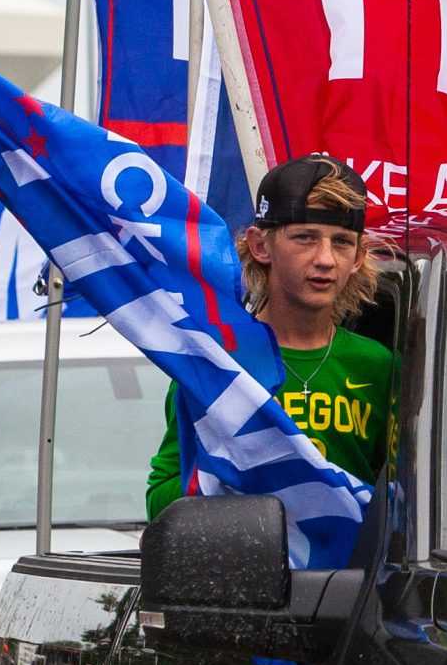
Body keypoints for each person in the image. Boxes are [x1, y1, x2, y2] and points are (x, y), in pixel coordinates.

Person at [144, 155, 398, 518]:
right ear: (261, 245)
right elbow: (161, 502)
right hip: (250, 569)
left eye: (341, 242)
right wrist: (233, 469)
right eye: (305, 238)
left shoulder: (379, 366)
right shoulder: (217, 362)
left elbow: (401, 500)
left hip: (348, 573)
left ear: (359, 255)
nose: (325, 259)